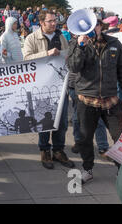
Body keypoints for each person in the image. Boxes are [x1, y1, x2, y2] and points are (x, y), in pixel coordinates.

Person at [67, 15, 122, 184]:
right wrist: (81, 46)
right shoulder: (76, 43)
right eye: (88, 27)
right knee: (85, 138)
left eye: (94, 25)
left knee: (120, 138)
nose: (92, 29)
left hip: (111, 101)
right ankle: (87, 169)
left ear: (100, 26)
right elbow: (73, 67)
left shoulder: (114, 43)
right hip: (86, 101)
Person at [23, 10, 75, 170]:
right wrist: (47, 53)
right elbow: (26, 59)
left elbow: (69, 57)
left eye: (55, 21)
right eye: (50, 21)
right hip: (42, 88)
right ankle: (44, 150)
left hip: (60, 86)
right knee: (45, 121)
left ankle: (58, 150)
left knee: (62, 122)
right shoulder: (31, 38)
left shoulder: (61, 37)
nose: (54, 23)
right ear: (41, 23)